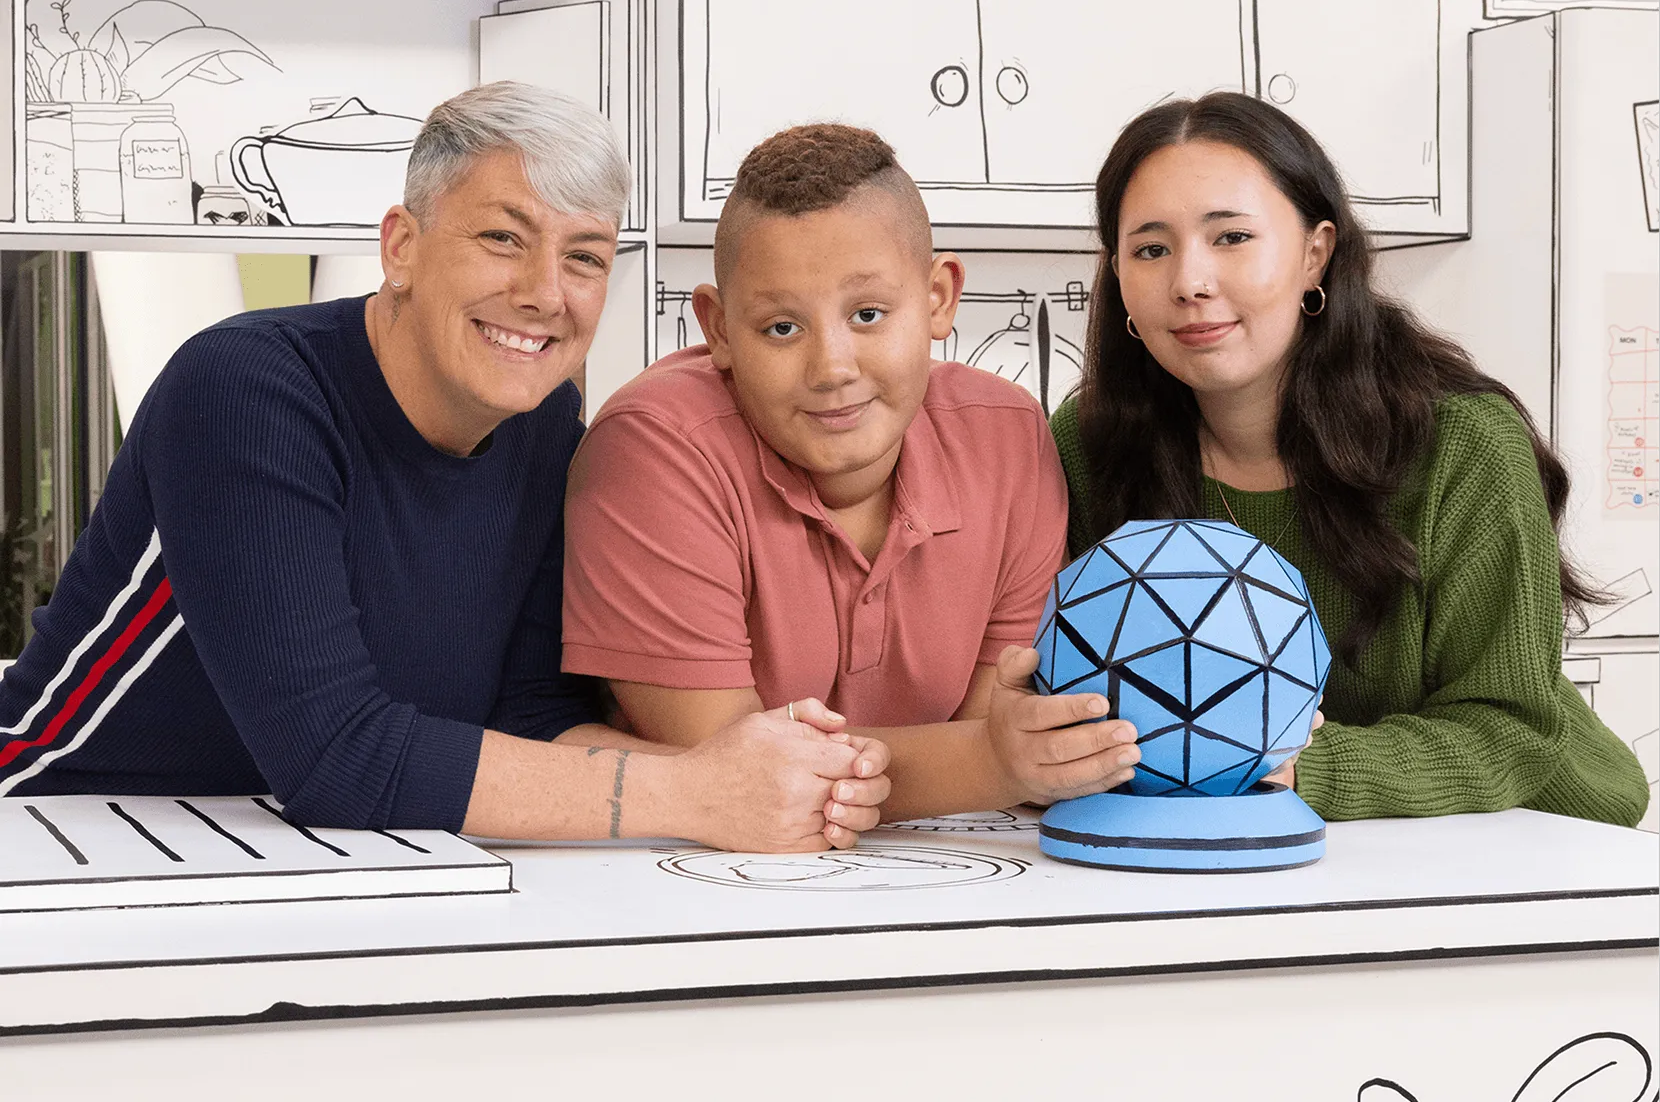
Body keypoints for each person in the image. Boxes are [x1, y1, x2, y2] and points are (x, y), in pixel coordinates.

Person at [0, 82, 889, 852]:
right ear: (402, 248)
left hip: (309, 852)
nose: (545, 291)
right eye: (504, 238)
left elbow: (532, 716)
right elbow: (338, 756)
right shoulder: (247, 391)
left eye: (583, 256)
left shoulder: (545, 425)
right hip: (62, 825)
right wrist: (695, 793)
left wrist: (785, 780)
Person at [1049, 91, 1647, 826]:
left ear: (1314, 254)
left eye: (1231, 237)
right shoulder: (1090, 444)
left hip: (1534, 834)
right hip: (1254, 835)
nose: (1190, 282)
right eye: (1150, 249)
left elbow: (1512, 728)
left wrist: (1296, 762)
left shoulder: (1462, 443)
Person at [562, 123, 1140, 820]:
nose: (832, 367)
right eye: (782, 327)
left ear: (938, 300)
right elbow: (738, 774)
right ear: (717, 328)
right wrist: (989, 764)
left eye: (868, 314)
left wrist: (991, 760)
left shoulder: (1010, 439)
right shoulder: (653, 451)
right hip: (689, 877)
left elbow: (992, 725)